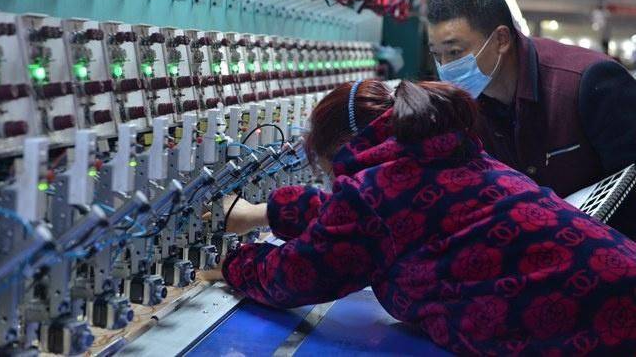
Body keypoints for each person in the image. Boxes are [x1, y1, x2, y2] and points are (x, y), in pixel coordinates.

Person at [202, 79, 636, 355]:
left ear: (341, 148)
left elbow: (294, 276)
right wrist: (260, 214)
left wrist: (230, 265)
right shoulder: (440, 152)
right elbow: (369, 222)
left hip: (601, 327)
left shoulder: (375, 192)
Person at [426, 0, 636, 237]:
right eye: (437, 55)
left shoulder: (588, 82)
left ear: (501, 39)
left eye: (454, 52)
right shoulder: (466, 110)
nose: (445, 67)